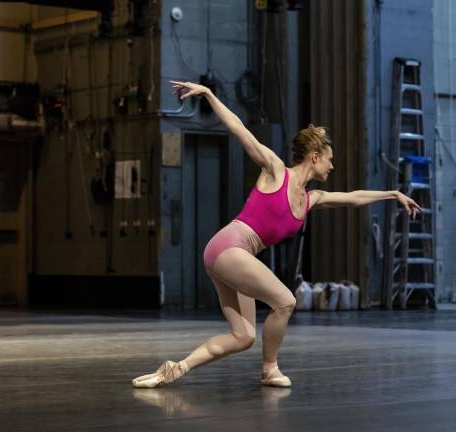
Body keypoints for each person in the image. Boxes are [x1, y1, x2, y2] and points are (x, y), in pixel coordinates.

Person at [131, 80, 422, 389]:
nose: (332, 165)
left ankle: (176, 368)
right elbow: (239, 128)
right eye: (330, 159)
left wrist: (392, 194)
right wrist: (208, 94)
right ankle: (270, 369)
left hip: (231, 257)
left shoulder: (312, 199)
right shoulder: (275, 169)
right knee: (285, 300)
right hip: (229, 247)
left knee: (242, 336)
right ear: (314, 157)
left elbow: (354, 197)